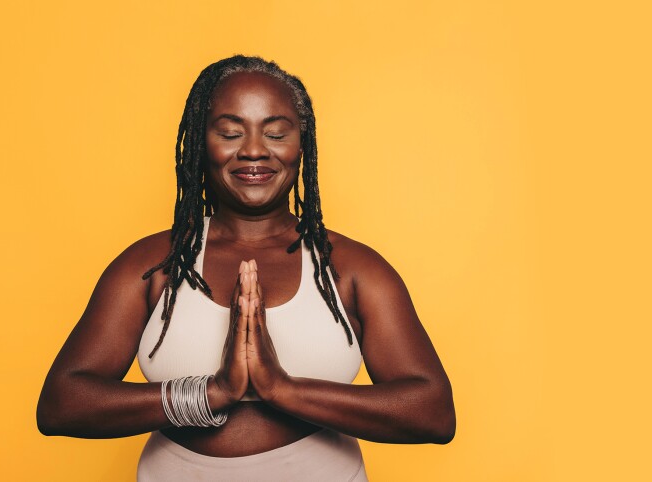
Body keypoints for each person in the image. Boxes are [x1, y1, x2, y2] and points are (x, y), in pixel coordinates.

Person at [36, 55, 455, 481]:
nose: (254, 150)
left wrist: (281, 389)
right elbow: (62, 404)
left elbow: (433, 412)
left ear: (301, 145)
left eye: (275, 133)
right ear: (202, 144)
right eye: (230, 133)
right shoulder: (153, 265)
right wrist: (213, 393)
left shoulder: (353, 269)